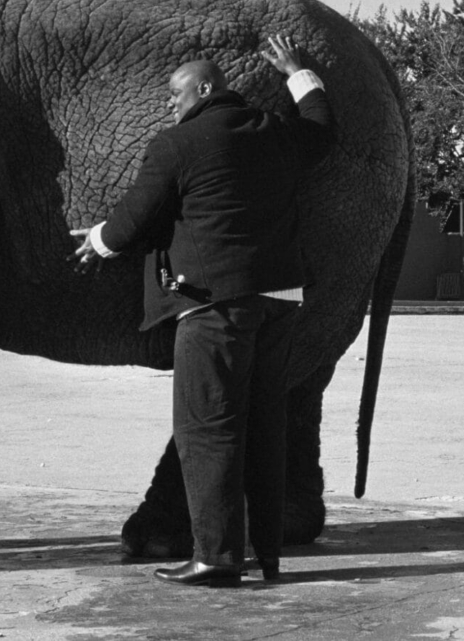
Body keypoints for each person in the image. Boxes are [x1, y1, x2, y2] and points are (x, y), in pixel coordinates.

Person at [71, 35, 335, 587]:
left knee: (208, 429)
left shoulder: (177, 145)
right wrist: (298, 72)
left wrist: (96, 241)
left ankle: (215, 558)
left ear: (205, 88)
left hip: (213, 307)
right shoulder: (276, 132)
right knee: (265, 427)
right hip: (282, 301)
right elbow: (321, 130)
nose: (169, 103)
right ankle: (267, 556)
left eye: (175, 92)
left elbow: (133, 222)